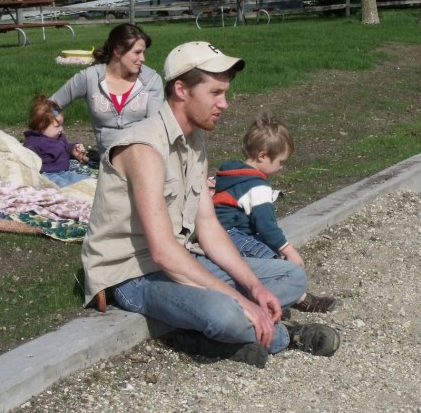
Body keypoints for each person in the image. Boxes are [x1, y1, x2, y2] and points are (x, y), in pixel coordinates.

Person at [81, 41, 340, 368]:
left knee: (292, 277)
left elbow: (208, 226)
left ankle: (213, 330)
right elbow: (161, 251)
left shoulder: (194, 140)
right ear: (181, 90)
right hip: (133, 274)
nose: (224, 104)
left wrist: (255, 288)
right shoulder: (144, 148)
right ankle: (285, 335)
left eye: (225, 93)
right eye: (215, 93)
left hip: (180, 259)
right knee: (226, 312)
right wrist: (241, 301)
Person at [213, 113, 337, 314]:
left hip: (218, 231)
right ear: (262, 156)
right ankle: (298, 298)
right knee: (270, 261)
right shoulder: (257, 186)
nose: (281, 168)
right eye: (280, 161)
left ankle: (275, 297)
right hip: (231, 235)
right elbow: (266, 225)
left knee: (263, 251)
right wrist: (289, 250)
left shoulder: (232, 174)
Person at [50, 23, 164, 156]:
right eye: (137, 52)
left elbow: (155, 129)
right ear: (118, 51)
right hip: (108, 158)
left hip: (144, 155)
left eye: (143, 52)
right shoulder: (90, 77)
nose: (143, 59)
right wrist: (60, 140)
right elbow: (50, 105)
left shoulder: (151, 80)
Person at [23, 95, 90, 188]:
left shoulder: (59, 137)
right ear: (41, 125)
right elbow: (27, 158)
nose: (61, 129)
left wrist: (73, 149)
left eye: (62, 125)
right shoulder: (34, 142)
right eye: (57, 126)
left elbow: (65, 148)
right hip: (49, 175)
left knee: (86, 181)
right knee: (65, 186)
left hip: (66, 172)